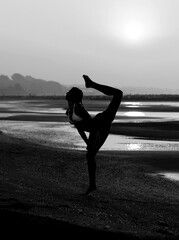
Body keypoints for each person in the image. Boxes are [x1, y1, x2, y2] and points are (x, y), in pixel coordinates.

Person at [66, 75, 123, 195]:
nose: (67, 93)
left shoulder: (78, 108)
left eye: (69, 92)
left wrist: (93, 141)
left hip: (101, 122)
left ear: (73, 96)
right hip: (99, 126)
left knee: (118, 94)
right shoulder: (71, 109)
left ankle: (92, 85)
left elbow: (91, 125)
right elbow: (79, 128)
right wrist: (87, 143)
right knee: (90, 155)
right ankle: (92, 185)